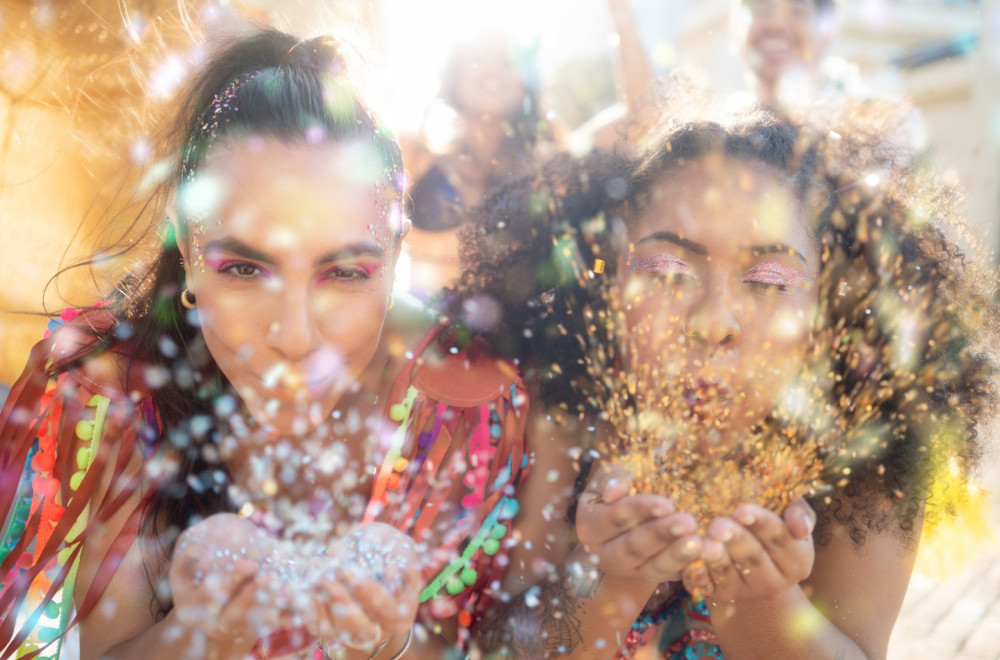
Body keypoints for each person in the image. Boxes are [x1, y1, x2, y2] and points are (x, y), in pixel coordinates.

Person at [0, 27, 529, 660]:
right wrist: (200, 639)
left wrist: (392, 645)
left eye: (345, 273)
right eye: (245, 269)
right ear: (186, 251)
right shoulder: (126, 395)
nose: (296, 338)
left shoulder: (459, 401)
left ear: (395, 259)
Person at [455, 104, 996, 657]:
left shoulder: (869, 443)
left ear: (825, 307)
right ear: (610, 283)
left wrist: (762, 600)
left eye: (769, 280)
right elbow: (495, 649)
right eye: (667, 272)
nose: (714, 322)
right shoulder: (559, 413)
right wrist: (612, 574)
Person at [401, 28, 558, 298]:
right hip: (418, 323)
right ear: (456, 75)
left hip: (516, 324)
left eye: (507, 62)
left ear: (525, 83)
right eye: (479, 59)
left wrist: (623, 20)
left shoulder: (546, 170)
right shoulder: (413, 155)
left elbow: (634, 125)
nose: (492, 71)